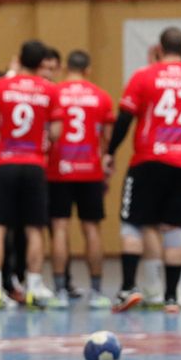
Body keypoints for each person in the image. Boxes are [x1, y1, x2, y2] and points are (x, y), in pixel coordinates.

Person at [106, 26, 181, 314]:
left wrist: (109, 152)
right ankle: (172, 297)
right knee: (176, 229)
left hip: (149, 159)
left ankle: (127, 288)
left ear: (159, 47)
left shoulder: (144, 76)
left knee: (133, 224)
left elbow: (124, 118)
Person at [0, 40, 58, 310]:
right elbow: (56, 132)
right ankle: (34, 287)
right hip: (35, 164)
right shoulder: (49, 89)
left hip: (5, 163)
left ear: (20, 58)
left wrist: (3, 131)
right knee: (35, 227)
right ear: (41, 63)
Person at [46, 50, 114, 309]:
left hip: (58, 169)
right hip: (90, 170)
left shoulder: (56, 93)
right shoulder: (101, 96)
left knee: (60, 228)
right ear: (88, 69)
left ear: (65, 68)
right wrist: (105, 161)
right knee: (92, 229)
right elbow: (106, 138)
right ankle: (96, 292)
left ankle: (60, 292)